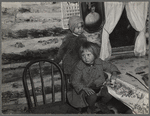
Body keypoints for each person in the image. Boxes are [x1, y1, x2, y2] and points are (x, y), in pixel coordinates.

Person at [67, 41, 121, 113]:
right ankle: (91, 108)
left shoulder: (99, 62)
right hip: (85, 88)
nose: (86, 58)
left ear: (94, 54)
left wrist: (114, 73)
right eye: (83, 55)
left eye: (88, 55)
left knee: (109, 93)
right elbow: (75, 81)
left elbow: (110, 66)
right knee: (92, 96)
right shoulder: (79, 66)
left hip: (99, 86)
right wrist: (85, 88)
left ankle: (101, 103)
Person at [54, 16, 87, 90]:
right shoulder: (68, 38)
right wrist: (56, 60)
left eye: (81, 27)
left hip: (80, 63)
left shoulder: (83, 38)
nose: (80, 30)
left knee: (81, 81)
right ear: (72, 28)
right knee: (71, 83)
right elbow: (62, 50)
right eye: (78, 28)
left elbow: (86, 49)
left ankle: (80, 97)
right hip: (70, 64)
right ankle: (71, 97)